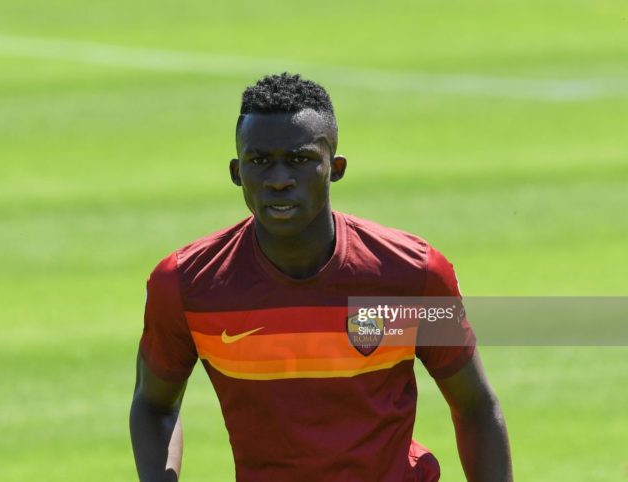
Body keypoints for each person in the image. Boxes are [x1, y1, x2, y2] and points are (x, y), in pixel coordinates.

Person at [130, 73, 513, 482]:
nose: (279, 179)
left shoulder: (411, 275)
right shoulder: (188, 285)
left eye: (300, 159)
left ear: (336, 167)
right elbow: (155, 405)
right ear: (236, 171)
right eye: (259, 161)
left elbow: (473, 405)